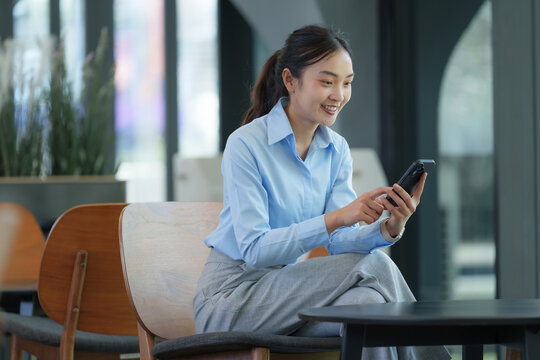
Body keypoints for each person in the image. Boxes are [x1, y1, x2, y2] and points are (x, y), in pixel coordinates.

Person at [193, 25, 450, 359]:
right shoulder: (246, 145)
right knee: (378, 268)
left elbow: (339, 241)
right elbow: (255, 250)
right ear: (290, 80)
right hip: (231, 300)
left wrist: (388, 227)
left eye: (347, 83)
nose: (339, 95)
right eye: (327, 82)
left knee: (368, 306)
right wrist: (335, 218)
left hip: (288, 296)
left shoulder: (335, 149)